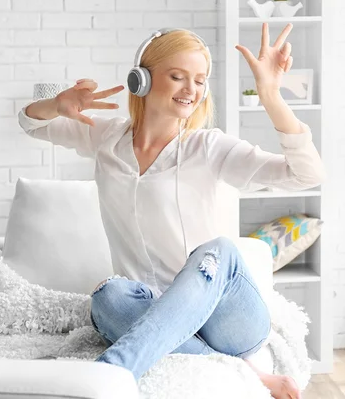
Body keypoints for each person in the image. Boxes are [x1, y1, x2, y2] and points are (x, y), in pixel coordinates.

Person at [18, 23, 325, 399]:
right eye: (178, 76)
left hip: (226, 316)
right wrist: (57, 105)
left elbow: (306, 174)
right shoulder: (107, 138)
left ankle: (107, 373)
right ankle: (244, 372)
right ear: (141, 81)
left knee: (220, 251)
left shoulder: (208, 147)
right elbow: (31, 123)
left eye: (200, 80)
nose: (191, 90)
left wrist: (271, 95)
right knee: (107, 297)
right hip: (148, 309)